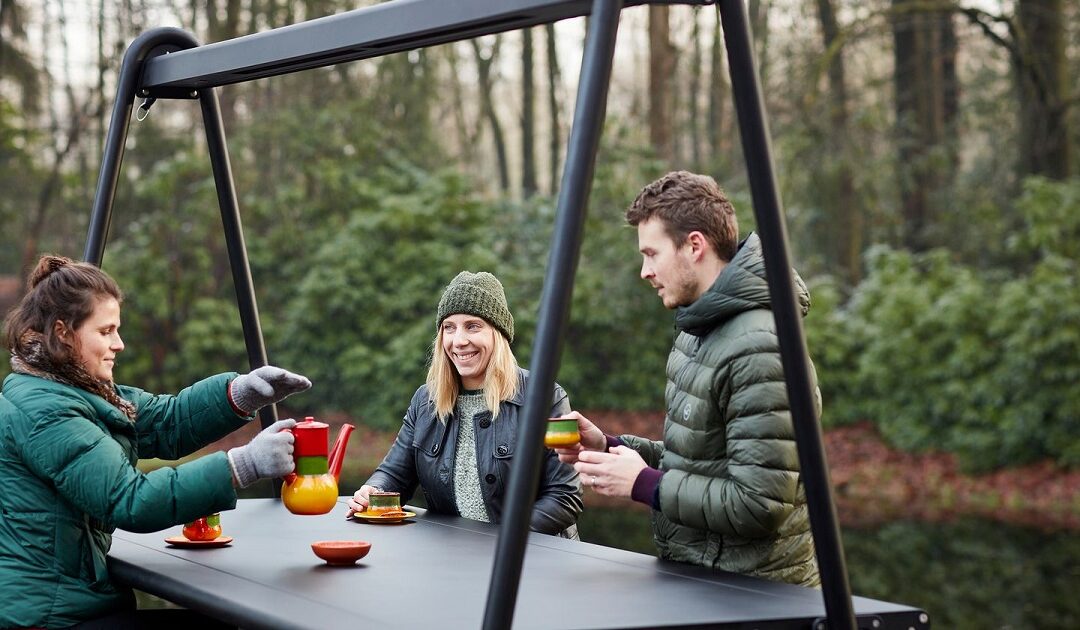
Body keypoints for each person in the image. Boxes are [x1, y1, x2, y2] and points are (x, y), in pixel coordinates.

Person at [0, 255, 312, 629]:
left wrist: (241, 393)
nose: (120, 344)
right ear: (64, 333)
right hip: (49, 617)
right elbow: (130, 500)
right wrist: (241, 466)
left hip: (72, 602)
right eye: (106, 331)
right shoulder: (48, 412)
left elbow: (164, 421)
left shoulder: (74, 391)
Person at [555, 171, 821, 587]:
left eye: (651, 253)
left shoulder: (761, 346)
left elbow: (760, 503)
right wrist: (611, 447)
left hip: (758, 599)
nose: (644, 271)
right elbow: (702, 461)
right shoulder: (699, 331)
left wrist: (643, 484)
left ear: (694, 245)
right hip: (704, 584)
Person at [347, 271, 583, 538]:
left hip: (533, 562)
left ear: (498, 334)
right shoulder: (425, 401)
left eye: (473, 326)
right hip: (456, 562)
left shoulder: (546, 396)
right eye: (449, 327)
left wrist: (502, 541)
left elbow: (564, 497)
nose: (459, 341)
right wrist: (372, 492)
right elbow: (394, 475)